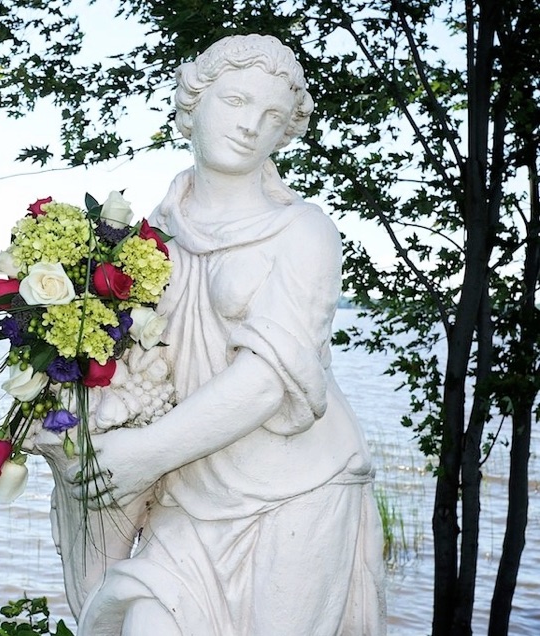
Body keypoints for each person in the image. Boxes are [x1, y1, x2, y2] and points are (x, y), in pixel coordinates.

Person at [71, 34, 387, 635]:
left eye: (271, 117)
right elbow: (117, 362)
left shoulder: (303, 231)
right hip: (183, 492)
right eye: (236, 101)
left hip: (294, 491)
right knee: (146, 620)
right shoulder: (148, 238)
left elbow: (269, 381)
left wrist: (141, 455)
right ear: (194, 102)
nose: (250, 126)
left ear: (284, 134)